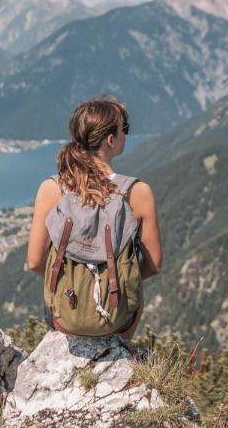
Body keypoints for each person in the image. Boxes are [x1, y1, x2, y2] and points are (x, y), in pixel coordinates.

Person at [26, 96, 162, 341]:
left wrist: (76, 282)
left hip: (63, 319)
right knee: (136, 293)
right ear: (111, 140)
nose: (125, 135)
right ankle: (119, 348)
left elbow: (35, 262)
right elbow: (153, 265)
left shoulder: (52, 189)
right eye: (125, 129)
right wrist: (116, 280)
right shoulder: (138, 193)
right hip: (117, 321)